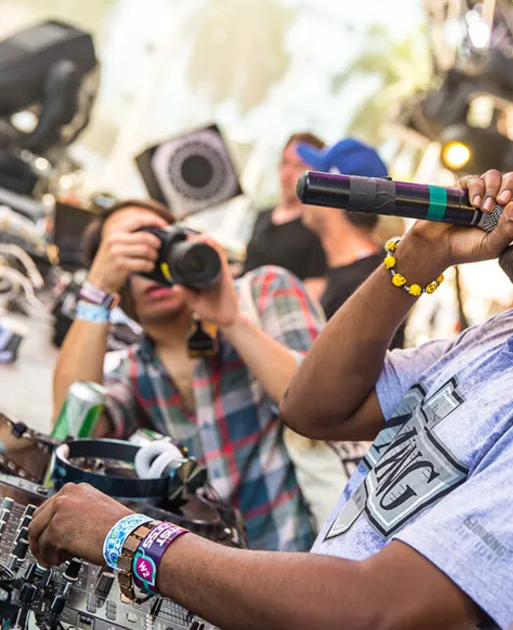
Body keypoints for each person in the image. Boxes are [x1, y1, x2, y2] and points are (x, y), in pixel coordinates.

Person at [31, 128, 513, 630]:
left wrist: (127, 536)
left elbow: (371, 613)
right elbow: (316, 407)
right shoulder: (506, 334)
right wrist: (415, 260)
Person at [52, 199, 324, 552]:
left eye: (158, 240)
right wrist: (96, 293)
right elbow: (75, 431)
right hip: (215, 576)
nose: (151, 261)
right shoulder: (137, 370)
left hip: (307, 556)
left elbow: (322, 405)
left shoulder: (265, 290)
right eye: (128, 251)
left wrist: (231, 322)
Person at [297, 137, 405, 348]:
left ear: (333, 194)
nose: (305, 186)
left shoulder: (362, 286)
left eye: (317, 176)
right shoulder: (362, 274)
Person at [243, 132, 328, 300]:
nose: (288, 173)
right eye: (285, 163)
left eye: (298, 166)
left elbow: (312, 294)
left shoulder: (316, 229)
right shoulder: (264, 216)